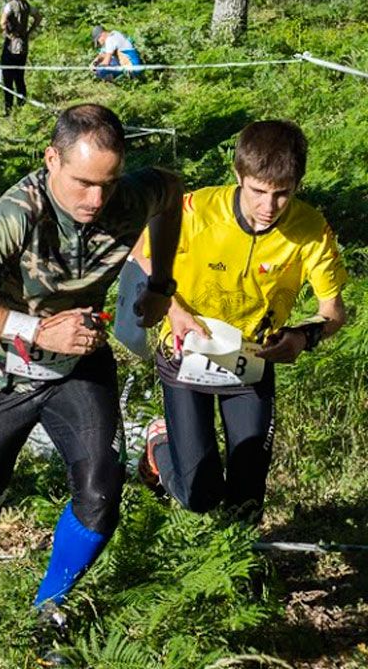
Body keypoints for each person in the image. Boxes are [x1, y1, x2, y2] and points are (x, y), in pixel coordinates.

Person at [0, 104, 184, 628]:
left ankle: (49, 606)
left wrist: (161, 283)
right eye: (82, 183)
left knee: (100, 496)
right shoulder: (16, 213)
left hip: (80, 369)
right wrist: (36, 329)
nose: (95, 200)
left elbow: (172, 195)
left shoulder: (131, 194)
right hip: (2, 372)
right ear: (51, 160)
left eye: (106, 183)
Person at [135, 121, 347, 523]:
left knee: (247, 496)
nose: (268, 207)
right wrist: (174, 309)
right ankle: (160, 447)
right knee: (201, 494)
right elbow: (141, 248)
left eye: (282, 194)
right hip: (185, 354)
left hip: (251, 359)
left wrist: (304, 337)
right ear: (238, 176)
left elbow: (334, 312)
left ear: (298, 184)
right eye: (258, 192)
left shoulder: (311, 229)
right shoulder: (197, 210)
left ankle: (244, 575)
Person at [0, 0, 42, 116]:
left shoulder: (9, 5)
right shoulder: (26, 5)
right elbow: (38, 17)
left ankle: (9, 109)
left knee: (7, 77)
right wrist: (29, 31)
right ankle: (22, 106)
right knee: (20, 77)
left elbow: (2, 21)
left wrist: (8, 32)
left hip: (11, 43)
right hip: (23, 44)